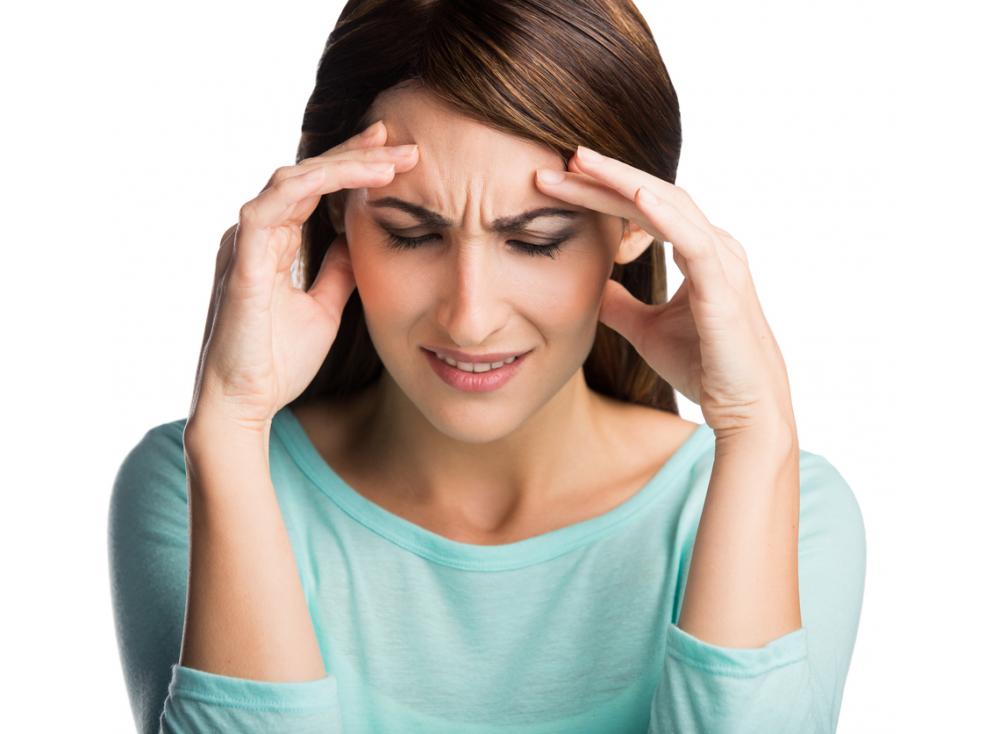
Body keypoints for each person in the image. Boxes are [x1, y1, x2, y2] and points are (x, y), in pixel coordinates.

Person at [108, 1, 866, 732]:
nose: (470, 318)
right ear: (333, 207)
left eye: (536, 241)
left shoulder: (787, 505)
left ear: (637, 224)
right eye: (411, 233)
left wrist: (755, 429)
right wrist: (234, 427)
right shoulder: (195, 481)